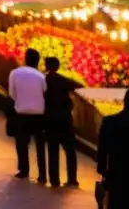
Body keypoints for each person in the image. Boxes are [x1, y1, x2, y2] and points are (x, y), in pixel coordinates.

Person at [8, 48, 46, 183]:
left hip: (21, 112)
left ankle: (24, 170)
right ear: (37, 61)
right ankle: (42, 174)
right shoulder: (41, 76)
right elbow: (45, 92)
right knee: (40, 145)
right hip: (38, 114)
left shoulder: (15, 73)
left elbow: (12, 93)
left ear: (25, 58)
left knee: (22, 143)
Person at [42, 56, 78, 188]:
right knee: (70, 150)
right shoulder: (63, 80)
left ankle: (54, 179)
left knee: (53, 150)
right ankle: (72, 179)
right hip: (65, 119)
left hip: (50, 119)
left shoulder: (44, 80)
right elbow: (76, 86)